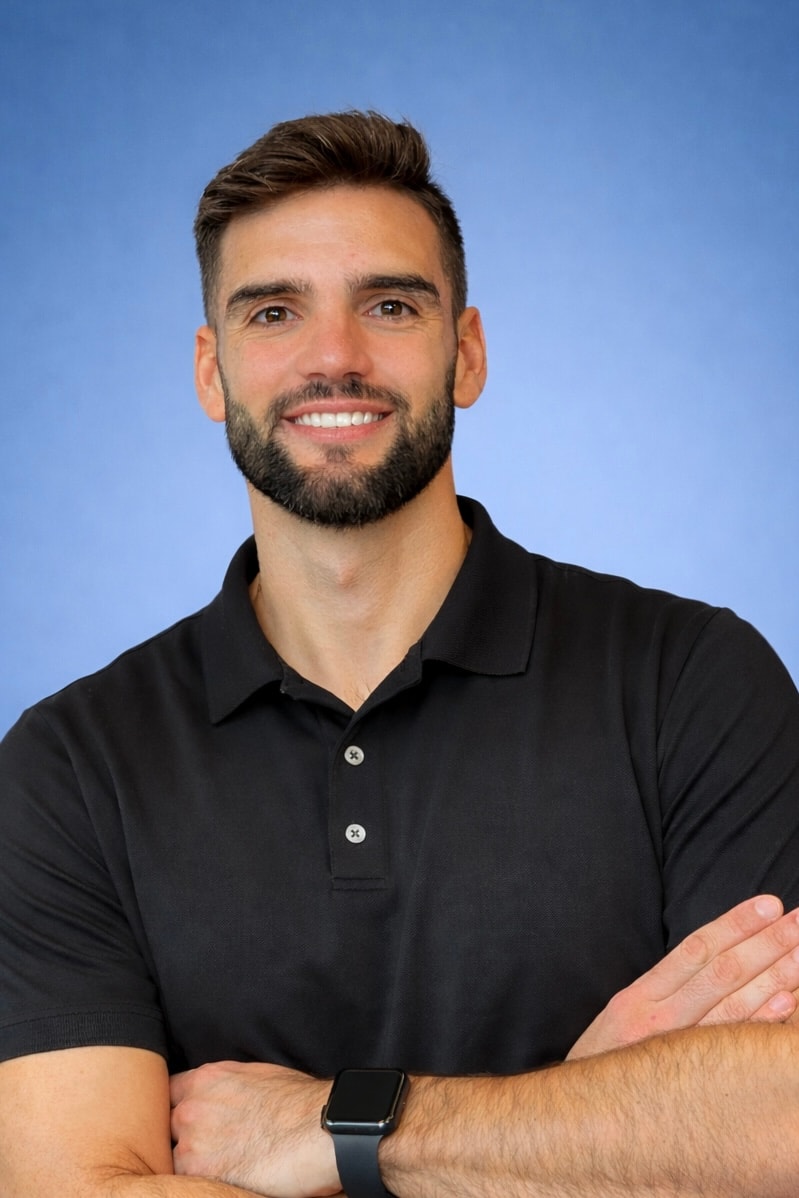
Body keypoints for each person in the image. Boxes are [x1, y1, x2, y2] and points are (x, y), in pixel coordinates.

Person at [1, 111, 799, 1198]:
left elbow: (778, 1128)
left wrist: (333, 1130)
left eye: (389, 304)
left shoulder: (692, 682)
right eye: (274, 311)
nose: (335, 357)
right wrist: (588, 1119)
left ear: (464, 352)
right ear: (210, 370)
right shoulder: (71, 767)